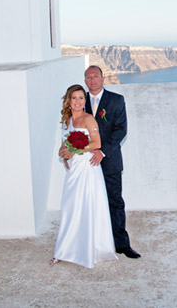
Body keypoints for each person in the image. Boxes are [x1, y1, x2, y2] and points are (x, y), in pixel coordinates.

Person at [60, 66, 141, 259]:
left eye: (96, 76)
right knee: (87, 203)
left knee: (115, 202)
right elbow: (71, 132)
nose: (92, 80)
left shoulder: (116, 100)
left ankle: (122, 245)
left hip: (109, 159)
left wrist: (102, 151)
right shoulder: (80, 101)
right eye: (88, 77)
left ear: (103, 78)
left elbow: (121, 130)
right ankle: (90, 242)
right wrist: (67, 152)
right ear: (85, 80)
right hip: (85, 165)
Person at [51, 84, 117, 268]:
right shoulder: (66, 120)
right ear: (69, 101)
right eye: (74, 98)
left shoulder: (89, 119)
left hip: (87, 167)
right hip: (73, 168)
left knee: (85, 206)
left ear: (84, 101)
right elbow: (64, 144)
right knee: (70, 208)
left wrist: (73, 149)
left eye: (81, 98)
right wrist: (63, 153)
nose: (78, 101)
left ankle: (87, 250)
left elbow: (97, 142)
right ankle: (65, 250)